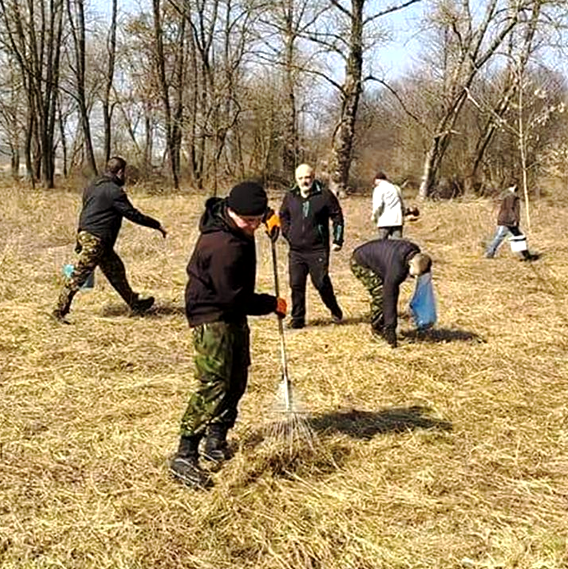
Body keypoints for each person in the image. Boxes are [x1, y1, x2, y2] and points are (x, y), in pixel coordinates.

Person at [169, 181, 286, 489]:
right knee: (215, 384)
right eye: (247, 221)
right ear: (231, 213)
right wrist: (270, 303)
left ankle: (216, 439)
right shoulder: (222, 246)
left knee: (237, 378)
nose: (252, 226)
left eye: (256, 219)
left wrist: (271, 218)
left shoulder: (239, 216)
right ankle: (185, 452)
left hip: (232, 311)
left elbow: (255, 210)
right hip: (212, 313)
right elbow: (232, 298)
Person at [53, 156, 166, 322]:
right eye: (125, 173)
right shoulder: (114, 191)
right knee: (80, 274)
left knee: (116, 270)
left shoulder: (92, 186)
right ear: (120, 172)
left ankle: (135, 303)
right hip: (96, 239)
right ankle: (58, 311)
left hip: (90, 235)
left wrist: (80, 238)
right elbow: (132, 214)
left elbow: (86, 212)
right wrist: (156, 224)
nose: (125, 176)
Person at [279, 164, 344, 329]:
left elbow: (337, 216)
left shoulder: (324, 195)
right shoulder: (290, 196)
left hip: (318, 249)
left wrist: (338, 239)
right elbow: (283, 215)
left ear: (313, 177)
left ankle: (335, 310)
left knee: (321, 282)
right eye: (300, 178)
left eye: (307, 177)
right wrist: (288, 233)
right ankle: (298, 319)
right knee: (296, 284)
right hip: (296, 250)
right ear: (296, 179)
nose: (304, 181)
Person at [350, 238, 432, 348]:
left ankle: (383, 327)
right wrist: (391, 330)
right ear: (410, 263)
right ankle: (378, 330)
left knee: (387, 288)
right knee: (380, 295)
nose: (414, 277)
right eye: (414, 274)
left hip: (379, 260)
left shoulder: (415, 252)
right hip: (360, 261)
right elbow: (389, 299)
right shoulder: (396, 269)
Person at [484, 185, 536, 261]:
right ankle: (489, 253)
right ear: (514, 186)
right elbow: (510, 209)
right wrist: (513, 220)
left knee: (518, 236)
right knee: (500, 237)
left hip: (508, 220)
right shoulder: (511, 196)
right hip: (508, 221)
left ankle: (526, 255)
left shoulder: (508, 195)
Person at [371, 171, 405, 239]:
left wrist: (374, 216)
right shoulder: (396, 188)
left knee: (382, 245)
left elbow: (378, 205)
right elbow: (402, 204)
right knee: (396, 245)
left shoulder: (378, 189)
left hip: (384, 221)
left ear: (377, 180)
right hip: (397, 220)